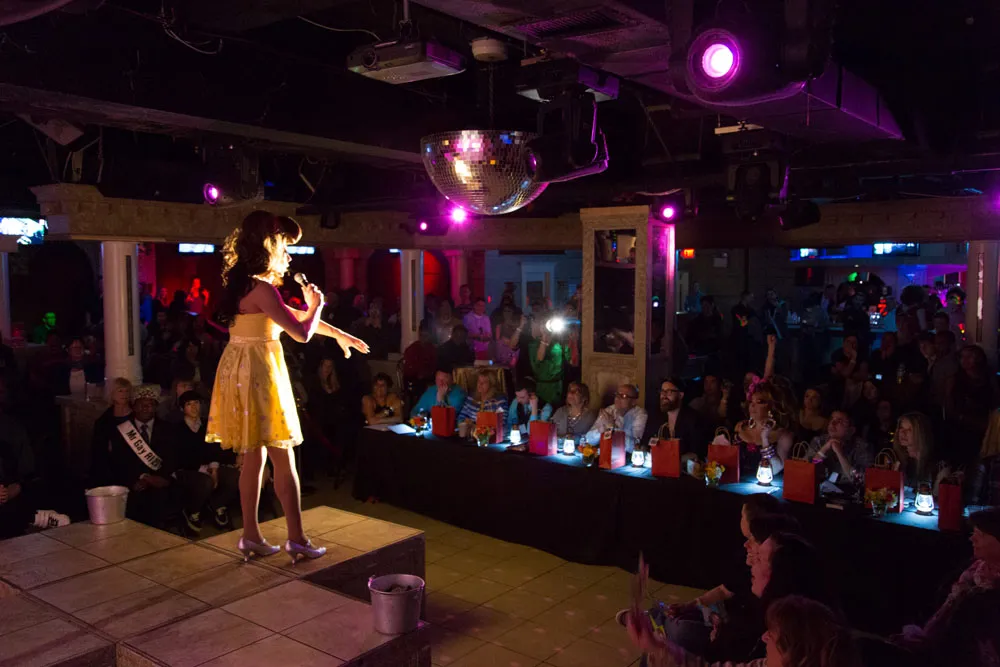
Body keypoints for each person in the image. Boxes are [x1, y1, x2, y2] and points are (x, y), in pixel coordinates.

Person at [207, 211, 369, 564]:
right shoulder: (262, 289)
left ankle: (251, 535)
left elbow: (292, 318)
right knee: (282, 457)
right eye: (284, 247)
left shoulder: (245, 287)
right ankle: (297, 539)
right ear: (268, 247)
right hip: (259, 373)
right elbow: (301, 332)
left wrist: (339, 334)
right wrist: (318, 305)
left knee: (254, 458)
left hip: (242, 370)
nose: (288, 256)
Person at [892, 507, 1000, 667]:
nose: (972, 539)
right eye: (974, 533)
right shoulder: (974, 569)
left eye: (981, 535)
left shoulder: (990, 593)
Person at [175, 390, 239, 532]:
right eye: (189, 404)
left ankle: (217, 504)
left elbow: (215, 448)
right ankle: (193, 511)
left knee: (233, 476)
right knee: (205, 481)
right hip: (189, 469)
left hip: (211, 465)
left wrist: (214, 468)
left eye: (196, 403)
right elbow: (180, 456)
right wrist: (203, 469)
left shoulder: (208, 425)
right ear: (182, 408)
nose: (194, 407)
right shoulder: (177, 428)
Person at [735, 379, 796, 477]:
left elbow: (775, 469)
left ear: (771, 407)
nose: (752, 405)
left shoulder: (784, 435)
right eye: (751, 401)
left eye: (759, 402)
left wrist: (765, 439)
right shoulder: (740, 427)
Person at [642, 377, 708, 460]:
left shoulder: (693, 418)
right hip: (656, 463)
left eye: (669, 392)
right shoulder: (654, 416)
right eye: (662, 391)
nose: (664, 395)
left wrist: (673, 460)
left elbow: (697, 452)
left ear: (680, 395)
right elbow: (645, 442)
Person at [807, 410, 872, 478]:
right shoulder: (818, 441)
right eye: (831, 419)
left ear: (851, 430)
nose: (832, 423)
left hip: (848, 485)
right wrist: (824, 449)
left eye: (840, 421)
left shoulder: (861, 446)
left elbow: (859, 478)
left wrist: (840, 454)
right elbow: (809, 471)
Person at [585, 384, 648, 451]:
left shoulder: (640, 414)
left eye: (623, 396)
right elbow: (588, 440)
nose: (617, 398)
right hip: (605, 452)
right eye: (617, 395)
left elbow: (636, 446)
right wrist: (599, 431)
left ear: (633, 402)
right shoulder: (609, 410)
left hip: (627, 456)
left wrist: (612, 427)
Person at [530, 320, 570, 407]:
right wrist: (544, 336)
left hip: (558, 388)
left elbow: (572, 362)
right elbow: (540, 358)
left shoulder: (559, 345)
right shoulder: (535, 344)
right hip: (543, 388)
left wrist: (572, 340)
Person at [893, 412, 937, 489]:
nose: (903, 433)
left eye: (909, 429)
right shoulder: (897, 460)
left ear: (920, 433)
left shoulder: (935, 465)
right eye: (901, 428)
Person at [402, 322, 437, 402]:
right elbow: (408, 369)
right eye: (422, 335)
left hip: (427, 377)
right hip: (413, 378)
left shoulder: (432, 349)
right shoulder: (411, 349)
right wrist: (420, 373)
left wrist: (427, 373)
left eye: (426, 336)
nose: (424, 338)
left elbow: (434, 365)